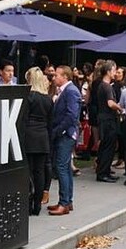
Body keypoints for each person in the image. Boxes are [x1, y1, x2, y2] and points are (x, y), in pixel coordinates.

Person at [48, 65, 81, 216]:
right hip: (65, 133)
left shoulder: (71, 91)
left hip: (66, 134)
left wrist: (58, 130)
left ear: (65, 77)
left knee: (61, 166)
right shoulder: (66, 91)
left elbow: (71, 115)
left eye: (57, 75)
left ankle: (64, 202)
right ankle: (67, 201)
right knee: (66, 167)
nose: (54, 78)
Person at [24, 68, 52, 216]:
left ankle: (28, 202)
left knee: (28, 171)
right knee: (40, 172)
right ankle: (37, 204)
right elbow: (50, 120)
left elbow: (24, 118)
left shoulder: (29, 97)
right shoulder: (47, 99)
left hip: (29, 135)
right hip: (42, 136)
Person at [95, 61, 121, 183]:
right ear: (109, 71)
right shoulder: (107, 87)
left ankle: (103, 170)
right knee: (108, 146)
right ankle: (103, 172)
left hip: (103, 118)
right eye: (114, 70)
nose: (115, 73)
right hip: (108, 120)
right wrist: (121, 108)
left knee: (105, 145)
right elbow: (110, 103)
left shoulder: (102, 85)